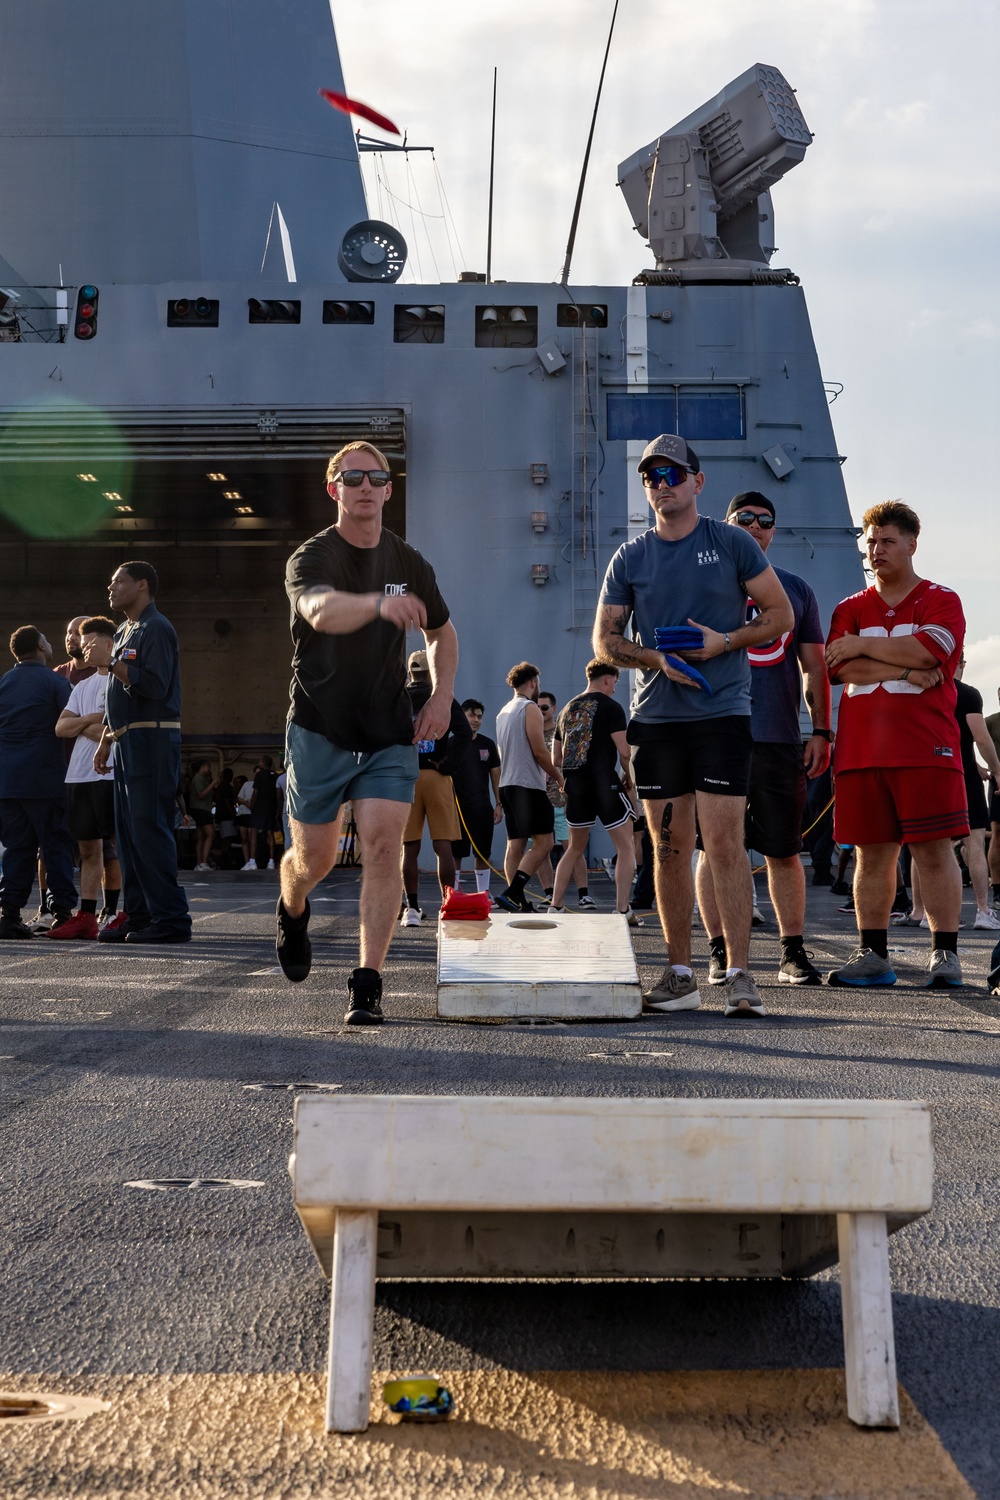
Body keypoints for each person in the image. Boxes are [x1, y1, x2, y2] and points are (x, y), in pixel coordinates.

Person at [594, 433, 793, 1017]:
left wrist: (722, 643)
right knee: (669, 848)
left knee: (727, 844)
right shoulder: (630, 557)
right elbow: (604, 643)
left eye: (673, 475)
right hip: (657, 719)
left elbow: (780, 615)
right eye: (652, 476)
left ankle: (738, 977)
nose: (662, 484)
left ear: (697, 483)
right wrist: (659, 660)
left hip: (721, 715)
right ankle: (679, 973)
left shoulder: (732, 543)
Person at [277, 440, 457, 1024]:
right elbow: (320, 611)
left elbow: (442, 632)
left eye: (375, 478)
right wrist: (379, 605)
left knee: (384, 847)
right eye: (351, 477)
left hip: (386, 731)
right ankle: (292, 901)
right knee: (317, 860)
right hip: (320, 728)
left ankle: (368, 981)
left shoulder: (408, 562)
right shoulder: (312, 557)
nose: (364, 486)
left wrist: (441, 696)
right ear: (334, 489)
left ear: (387, 490)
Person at [825, 500, 967, 988]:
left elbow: (930, 648)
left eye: (887, 540)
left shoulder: (941, 599)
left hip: (925, 748)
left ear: (911, 544)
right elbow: (838, 667)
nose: (876, 549)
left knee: (933, 849)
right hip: (862, 752)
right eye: (871, 540)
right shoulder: (850, 607)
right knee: (871, 855)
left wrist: (862, 644)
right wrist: (906, 670)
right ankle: (873, 954)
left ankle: (945, 955)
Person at [695, 491, 832, 986]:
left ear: (774, 531)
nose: (755, 526)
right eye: (744, 519)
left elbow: (815, 665)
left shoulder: (796, 590)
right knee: (715, 847)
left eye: (765, 520)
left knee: (783, 849)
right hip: (717, 734)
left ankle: (791, 952)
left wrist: (820, 730)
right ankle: (718, 950)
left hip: (777, 737)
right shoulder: (705, 584)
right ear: (728, 525)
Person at [93, 561, 192, 944]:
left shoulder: (157, 628)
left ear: (143, 585)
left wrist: (113, 663)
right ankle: (140, 914)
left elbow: (154, 685)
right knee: (129, 835)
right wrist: (106, 736)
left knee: (149, 829)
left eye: (119, 581)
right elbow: (116, 695)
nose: (111, 587)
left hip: (151, 739)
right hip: (125, 741)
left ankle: (171, 919)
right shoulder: (123, 630)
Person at [0, 626, 78, 938]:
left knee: (16, 847)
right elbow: (72, 721)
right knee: (55, 844)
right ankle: (61, 912)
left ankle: (9, 913)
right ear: (40, 647)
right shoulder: (55, 682)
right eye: (46, 638)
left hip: (8, 780)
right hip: (46, 777)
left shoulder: (4, 683)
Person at [549, 661, 638, 922]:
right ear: (608, 679)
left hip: (576, 786)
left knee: (574, 848)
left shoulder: (566, 709)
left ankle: (555, 905)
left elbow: (556, 757)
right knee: (626, 847)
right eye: (615, 683)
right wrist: (628, 776)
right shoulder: (611, 707)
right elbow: (624, 751)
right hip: (604, 783)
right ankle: (622, 909)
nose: (614, 689)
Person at [52, 616, 119, 939]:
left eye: (90, 643)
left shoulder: (122, 683)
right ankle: (87, 917)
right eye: (83, 642)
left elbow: (117, 729)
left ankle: (127, 911)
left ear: (109, 644)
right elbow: (60, 728)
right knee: (88, 850)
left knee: (120, 847)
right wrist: (95, 721)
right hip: (78, 776)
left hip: (110, 774)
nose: (84, 648)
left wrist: (85, 723)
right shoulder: (81, 686)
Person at [399, 650, 471, 923]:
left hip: (407, 777)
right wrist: (447, 763)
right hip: (437, 776)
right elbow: (464, 733)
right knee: (443, 846)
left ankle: (412, 908)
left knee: (410, 847)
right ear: (431, 671)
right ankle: (447, 905)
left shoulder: (399, 698)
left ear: (410, 672)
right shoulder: (443, 697)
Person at [495, 662, 563, 913]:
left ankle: (517, 901)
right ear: (533, 682)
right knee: (545, 843)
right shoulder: (529, 707)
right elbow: (540, 751)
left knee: (515, 844)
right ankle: (513, 893)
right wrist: (558, 777)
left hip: (508, 785)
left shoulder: (503, 711)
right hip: (527, 785)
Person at [953, 657, 1000, 930]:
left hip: (934, 772)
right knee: (975, 844)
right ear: (959, 661)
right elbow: (980, 738)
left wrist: (978, 766)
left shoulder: (925, 690)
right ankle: (983, 910)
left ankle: (926, 913)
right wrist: (997, 771)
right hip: (963, 778)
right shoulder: (967, 693)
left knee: (932, 848)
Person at [538, 691, 590, 908]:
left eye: (544, 708)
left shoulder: (561, 731)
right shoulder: (530, 732)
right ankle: (549, 893)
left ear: (554, 709)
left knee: (573, 847)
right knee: (540, 849)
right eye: (537, 707)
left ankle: (583, 894)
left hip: (561, 799)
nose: (540, 712)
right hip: (539, 799)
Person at [450, 698, 502, 897]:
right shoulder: (450, 744)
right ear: (461, 716)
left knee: (483, 853)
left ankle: (483, 893)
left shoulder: (487, 744)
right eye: (471, 715)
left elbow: (495, 776)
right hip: (456, 809)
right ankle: (452, 894)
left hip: (481, 808)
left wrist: (498, 804)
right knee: (456, 853)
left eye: (479, 716)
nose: (476, 720)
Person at [247, 754, 279, 869]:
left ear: (263, 763)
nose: (258, 763)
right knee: (270, 834)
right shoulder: (276, 776)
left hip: (259, 808)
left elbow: (255, 793)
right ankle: (271, 861)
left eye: (260, 761)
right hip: (271, 808)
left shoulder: (259, 775)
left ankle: (252, 861)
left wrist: (251, 804)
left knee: (254, 833)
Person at [984, 687, 1000, 909]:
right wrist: (978, 766)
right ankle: (997, 889)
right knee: (998, 834)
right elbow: (964, 741)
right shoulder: (990, 721)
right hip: (998, 782)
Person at [189, 758, 219, 870]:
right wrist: (213, 784)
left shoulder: (201, 778)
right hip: (202, 810)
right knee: (211, 834)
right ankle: (204, 862)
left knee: (201, 837)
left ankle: (199, 862)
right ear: (202, 767)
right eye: (208, 766)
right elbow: (200, 794)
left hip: (199, 809)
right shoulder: (198, 778)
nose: (209, 769)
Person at [53, 615, 96, 685]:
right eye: (69, 632)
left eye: (78, 633)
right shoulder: (58, 674)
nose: (71, 637)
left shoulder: (105, 673)